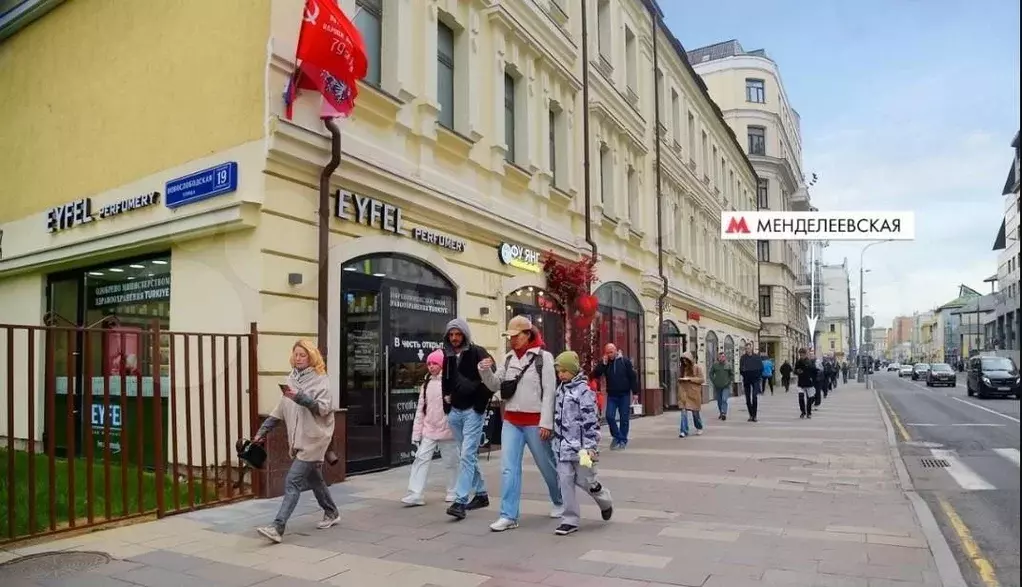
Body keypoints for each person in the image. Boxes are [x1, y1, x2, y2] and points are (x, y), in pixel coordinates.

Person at [479, 315, 563, 532]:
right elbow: (495, 385)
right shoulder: (508, 358)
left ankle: (560, 499)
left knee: (546, 465)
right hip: (512, 421)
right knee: (508, 468)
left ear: (528, 334)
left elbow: (549, 394)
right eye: (510, 337)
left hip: (536, 422)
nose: (512, 340)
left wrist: (546, 423)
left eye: (516, 336)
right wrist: (484, 370)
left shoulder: (543, 358)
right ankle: (508, 515)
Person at [254, 340, 338, 543]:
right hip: (298, 438)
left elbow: (323, 408)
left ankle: (278, 526)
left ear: (311, 357)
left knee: (292, 481)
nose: (299, 358)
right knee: (314, 479)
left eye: (303, 355)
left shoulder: (320, 380)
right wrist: (262, 432)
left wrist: (299, 397)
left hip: (315, 438)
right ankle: (332, 512)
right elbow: (280, 409)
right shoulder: (290, 379)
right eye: (296, 355)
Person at [551, 351, 613, 535]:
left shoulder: (584, 391)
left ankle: (604, 499)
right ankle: (569, 519)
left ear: (573, 370)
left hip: (582, 449)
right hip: (562, 447)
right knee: (565, 481)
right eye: (558, 371)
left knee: (586, 480)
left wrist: (591, 447)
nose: (561, 374)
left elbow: (591, 421)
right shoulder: (560, 390)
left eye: (564, 371)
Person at [441, 318, 495, 521]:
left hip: (473, 411)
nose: (454, 338)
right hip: (454, 411)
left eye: (458, 334)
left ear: (465, 334)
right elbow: (445, 382)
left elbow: (491, 379)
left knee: (466, 454)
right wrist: (447, 404)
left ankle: (460, 501)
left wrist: (478, 405)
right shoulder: (447, 354)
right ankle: (481, 494)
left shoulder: (477, 352)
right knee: (467, 455)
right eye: (451, 334)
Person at [403, 349, 459, 506]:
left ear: (442, 364)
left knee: (451, 462)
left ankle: (453, 491)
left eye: (435, 363)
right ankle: (415, 493)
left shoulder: (450, 383)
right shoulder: (426, 384)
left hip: (448, 431)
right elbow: (421, 410)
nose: (431, 366)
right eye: (429, 363)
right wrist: (416, 434)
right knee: (420, 459)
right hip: (429, 429)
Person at [591, 343, 638, 450]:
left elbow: (632, 377)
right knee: (609, 416)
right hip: (612, 395)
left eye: (611, 352)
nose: (609, 355)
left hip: (624, 394)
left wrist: (635, 393)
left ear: (616, 351)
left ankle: (623, 440)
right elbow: (596, 375)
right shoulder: (606, 363)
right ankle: (617, 436)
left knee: (624, 418)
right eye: (607, 353)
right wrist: (603, 364)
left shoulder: (624, 361)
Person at [678, 352, 706, 437]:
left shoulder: (697, 368)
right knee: (683, 412)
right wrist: (681, 380)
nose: (685, 362)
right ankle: (683, 431)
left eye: (686, 360)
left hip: (694, 394)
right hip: (684, 393)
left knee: (695, 413)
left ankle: (699, 427)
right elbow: (679, 379)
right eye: (683, 360)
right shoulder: (682, 368)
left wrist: (690, 379)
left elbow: (701, 380)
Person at [739, 343, 763, 422]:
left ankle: (755, 415)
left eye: (748, 348)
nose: (747, 350)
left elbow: (761, 368)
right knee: (748, 399)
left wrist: (758, 376)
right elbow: (741, 369)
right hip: (747, 380)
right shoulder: (743, 358)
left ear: (751, 348)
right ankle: (750, 415)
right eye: (746, 349)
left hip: (755, 380)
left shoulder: (757, 357)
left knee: (754, 397)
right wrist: (744, 373)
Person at [709, 351, 734, 420]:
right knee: (719, 401)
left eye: (723, 356)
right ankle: (721, 412)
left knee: (724, 399)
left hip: (726, 386)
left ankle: (724, 413)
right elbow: (711, 374)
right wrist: (714, 381)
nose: (722, 358)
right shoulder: (715, 365)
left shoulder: (728, 365)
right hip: (718, 386)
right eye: (720, 357)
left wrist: (729, 381)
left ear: (725, 357)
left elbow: (732, 374)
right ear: (718, 357)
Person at [793, 348, 817, 419]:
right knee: (801, 397)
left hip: (809, 382)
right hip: (801, 382)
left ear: (805, 354)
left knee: (809, 398)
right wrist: (797, 371)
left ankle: (809, 412)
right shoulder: (798, 362)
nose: (801, 356)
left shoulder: (810, 362)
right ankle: (803, 411)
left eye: (803, 354)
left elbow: (814, 371)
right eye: (800, 354)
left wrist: (813, 378)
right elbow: (795, 371)